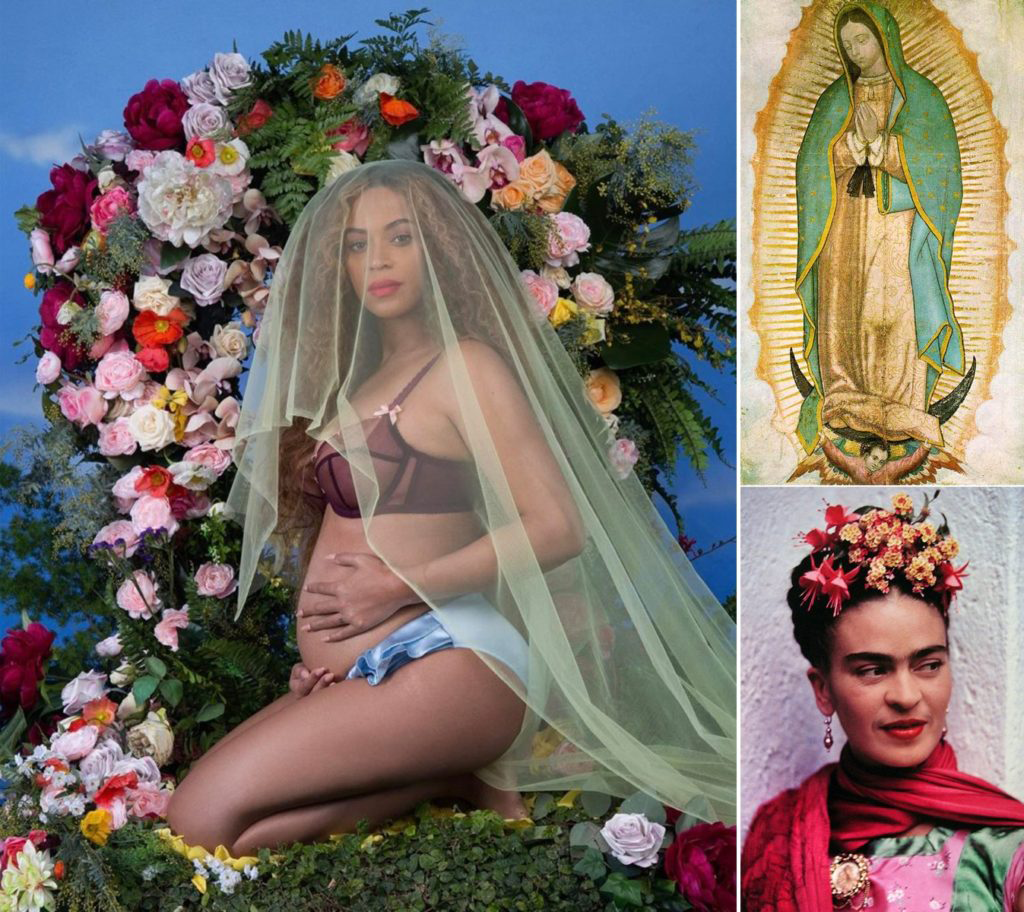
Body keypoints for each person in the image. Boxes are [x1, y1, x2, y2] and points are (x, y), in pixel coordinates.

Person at [164, 159, 736, 857]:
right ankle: (452, 778)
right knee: (220, 829)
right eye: (356, 243)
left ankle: (456, 763)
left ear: (437, 247)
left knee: (201, 818)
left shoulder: (466, 367)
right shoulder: (361, 380)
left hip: (452, 658)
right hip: (371, 672)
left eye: (401, 237)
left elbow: (557, 527)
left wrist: (394, 587)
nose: (378, 260)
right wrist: (336, 653)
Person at [741, 493, 1024, 911]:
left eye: (928, 665)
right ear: (823, 690)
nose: (907, 697)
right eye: (872, 671)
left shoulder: (1004, 851)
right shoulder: (776, 837)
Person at [792, 1, 965, 458]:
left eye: (862, 40)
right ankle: (845, 395)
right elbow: (810, 165)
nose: (855, 51)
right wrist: (850, 145)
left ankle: (901, 402)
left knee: (890, 308)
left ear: (884, 38)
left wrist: (885, 147)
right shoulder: (835, 99)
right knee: (845, 305)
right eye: (847, 44)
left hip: (896, 224)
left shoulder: (920, 97)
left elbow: (942, 172)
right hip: (844, 225)